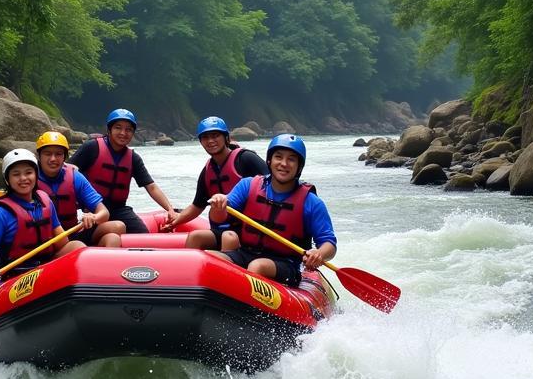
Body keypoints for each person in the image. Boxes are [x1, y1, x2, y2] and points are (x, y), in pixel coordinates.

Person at [207, 134, 336, 286]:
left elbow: (329, 243)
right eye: (278, 157)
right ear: (269, 161)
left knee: (257, 266)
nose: (284, 163)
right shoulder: (248, 185)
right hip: (246, 253)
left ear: (299, 166)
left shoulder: (311, 202)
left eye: (291, 159)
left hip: (286, 264)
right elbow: (218, 219)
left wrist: (319, 254)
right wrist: (218, 205)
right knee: (209, 258)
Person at [0, 148, 81, 293]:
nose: (23, 178)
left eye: (28, 172)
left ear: (36, 175)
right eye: (16, 174)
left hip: (47, 265)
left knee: (77, 246)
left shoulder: (45, 201)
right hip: (18, 274)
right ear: (8, 179)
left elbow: (61, 239)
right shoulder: (0, 212)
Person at [68, 108, 178, 235]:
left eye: (128, 130)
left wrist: (170, 209)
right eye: (118, 128)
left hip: (119, 209)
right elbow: (67, 173)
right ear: (109, 130)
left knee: (142, 235)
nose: (123, 133)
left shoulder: (133, 159)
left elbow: (151, 187)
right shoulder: (91, 148)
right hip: (94, 209)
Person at [163, 116, 268, 248]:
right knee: (196, 237)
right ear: (201, 142)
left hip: (252, 229)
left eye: (215, 136)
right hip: (224, 228)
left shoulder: (246, 159)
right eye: (205, 138)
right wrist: (175, 222)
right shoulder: (207, 171)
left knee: (228, 237)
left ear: (226, 138)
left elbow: (273, 184)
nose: (210, 141)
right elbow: (197, 206)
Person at [35, 130, 124, 247]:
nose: (53, 159)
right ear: (39, 156)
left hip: (72, 232)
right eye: (47, 154)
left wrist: (93, 217)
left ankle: (103, 263)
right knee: (77, 246)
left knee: (117, 229)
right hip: (47, 241)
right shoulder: (30, 179)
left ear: (64, 157)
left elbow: (104, 212)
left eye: (58, 154)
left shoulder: (74, 177)